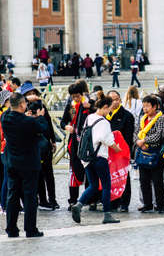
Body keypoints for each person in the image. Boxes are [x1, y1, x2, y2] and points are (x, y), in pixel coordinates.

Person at [71, 95, 122, 224]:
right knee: (106, 186)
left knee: (93, 185)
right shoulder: (104, 122)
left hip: (87, 158)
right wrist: (117, 148)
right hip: (99, 158)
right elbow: (108, 140)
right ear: (105, 107)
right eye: (109, 109)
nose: (109, 111)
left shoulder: (89, 118)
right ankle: (107, 215)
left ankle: (79, 204)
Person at [3, 93, 48, 237]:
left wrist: (28, 116)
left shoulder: (4, 118)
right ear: (22, 105)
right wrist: (40, 116)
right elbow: (42, 127)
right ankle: (30, 229)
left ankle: (11, 229)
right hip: (29, 164)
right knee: (30, 197)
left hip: (12, 163)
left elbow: (23, 121)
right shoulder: (28, 122)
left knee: (13, 195)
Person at [21, 82, 58, 211]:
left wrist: (53, 141)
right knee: (38, 174)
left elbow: (49, 123)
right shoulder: (23, 109)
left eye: (33, 93)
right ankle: (41, 199)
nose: (32, 96)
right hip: (33, 146)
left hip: (45, 145)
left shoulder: (42, 107)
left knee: (49, 174)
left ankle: (52, 199)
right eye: (28, 94)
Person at [60, 82, 95, 209]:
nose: (75, 99)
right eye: (73, 96)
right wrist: (66, 126)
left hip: (88, 143)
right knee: (74, 172)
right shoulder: (71, 106)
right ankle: (72, 200)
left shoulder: (90, 103)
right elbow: (62, 121)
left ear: (82, 94)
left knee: (89, 171)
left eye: (77, 96)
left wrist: (90, 107)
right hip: (74, 143)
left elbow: (98, 113)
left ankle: (89, 199)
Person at [136, 95, 164, 213]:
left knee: (157, 181)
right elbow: (136, 131)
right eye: (144, 106)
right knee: (144, 180)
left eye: (148, 106)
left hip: (155, 152)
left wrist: (144, 141)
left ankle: (160, 204)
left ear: (155, 107)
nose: (145, 109)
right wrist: (138, 141)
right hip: (143, 152)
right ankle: (147, 204)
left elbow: (159, 135)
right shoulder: (143, 118)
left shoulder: (160, 119)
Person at [106, 90, 135, 212]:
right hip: (106, 152)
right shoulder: (104, 115)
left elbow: (128, 137)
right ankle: (113, 201)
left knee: (123, 177)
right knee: (110, 177)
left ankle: (124, 203)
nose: (114, 102)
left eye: (117, 99)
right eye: (111, 100)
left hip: (121, 151)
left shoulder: (127, 116)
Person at [0, 91, 11, 214]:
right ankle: (4, 204)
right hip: (5, 148)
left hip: (4, 148)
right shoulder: (4, 114)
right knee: (7, 177)